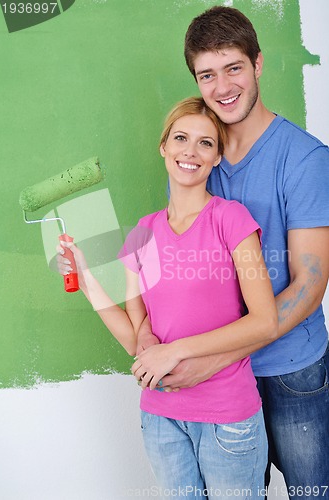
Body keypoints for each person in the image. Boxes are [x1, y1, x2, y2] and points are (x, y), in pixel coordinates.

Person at [136, 6, 329, 498]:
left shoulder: (305, 160)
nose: (222, 86)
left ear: (258, 64)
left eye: (234, 68)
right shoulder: (197, 156)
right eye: (207, 74)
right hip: (217, 387)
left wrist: (217, 357)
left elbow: (309, 286)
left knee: (312, 492)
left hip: (289, 370)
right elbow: (171, 272)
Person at [58, 97, 278, 499]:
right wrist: (85, 276)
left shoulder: (230, 219)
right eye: (181, 138)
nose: (190, 151)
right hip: (161, 418)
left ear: (217, 157)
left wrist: (173, 351)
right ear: (164, 147)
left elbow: (265, 321)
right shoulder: (142, 232)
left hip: (227, 417)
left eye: (205, 143)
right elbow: (136, 336)